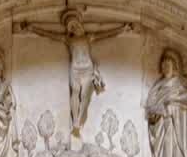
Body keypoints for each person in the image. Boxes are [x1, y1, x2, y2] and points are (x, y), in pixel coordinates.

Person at [18, 9, 133, 138]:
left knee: (85, 96)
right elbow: (49, 34)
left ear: (79, 24)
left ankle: (79, 120)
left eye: (75, 24)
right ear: (70, 29)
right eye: (71, 26)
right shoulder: (68, 39)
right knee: (75, 93)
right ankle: (75, 123)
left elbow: (106, 34)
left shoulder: (88, 37)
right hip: (75, 71)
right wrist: (32, 28)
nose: (75, 27)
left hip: (87, 70)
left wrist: (123, 29)